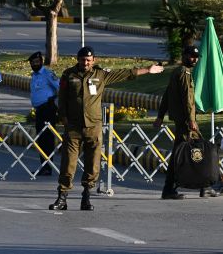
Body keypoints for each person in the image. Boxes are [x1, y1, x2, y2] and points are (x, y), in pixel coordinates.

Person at [50, 46, 164, 211]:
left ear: (94, 60)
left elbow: (125, 73)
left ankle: (86, 197)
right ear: (77, 59)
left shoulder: (100, 74)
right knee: (68, 163)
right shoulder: (69, 74)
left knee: (93, 164)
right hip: (73, 127)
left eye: (88, 60)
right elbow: (62, 97)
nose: (85, 63)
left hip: (93, 127)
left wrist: (147, 69)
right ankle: (62, 198)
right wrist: (64, 118)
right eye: (82, 60)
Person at [154, 45, 218, 199]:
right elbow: (187, 99)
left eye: (196, 57)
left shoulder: (177, 72)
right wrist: (191, 120)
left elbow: (167, 95)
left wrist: (160, 116)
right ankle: (178, 188)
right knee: (199, 151)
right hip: (186, 122)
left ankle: (193, 187)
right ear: (184, 56)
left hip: (182, 121)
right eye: (191, 56)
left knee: (183, 152)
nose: (194, 59)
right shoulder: (184, 73)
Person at [28, 51, 59, 176]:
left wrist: (55, 101)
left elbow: (60, 86)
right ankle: (44, 166)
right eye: (32, 63)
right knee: (40, 139)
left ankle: (48, 166)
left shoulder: (47, 74)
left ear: (41, 61)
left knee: (47, 139)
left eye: (37, 62)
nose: (35, 64)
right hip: (40, 111)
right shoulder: (34, 76)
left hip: (48, 109)